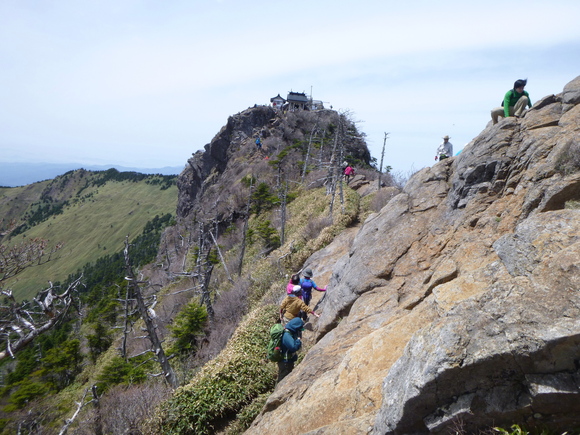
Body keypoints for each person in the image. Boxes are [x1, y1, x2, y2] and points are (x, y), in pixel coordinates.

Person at [277, 317, 304, 383]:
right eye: (299, 328)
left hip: (288, 360)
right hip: (285, 362)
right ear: (295, 327)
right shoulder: (287, 335)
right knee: (282, 380)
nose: (300, 330)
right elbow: (293, 347)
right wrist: (298, 340)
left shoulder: (290, 332)